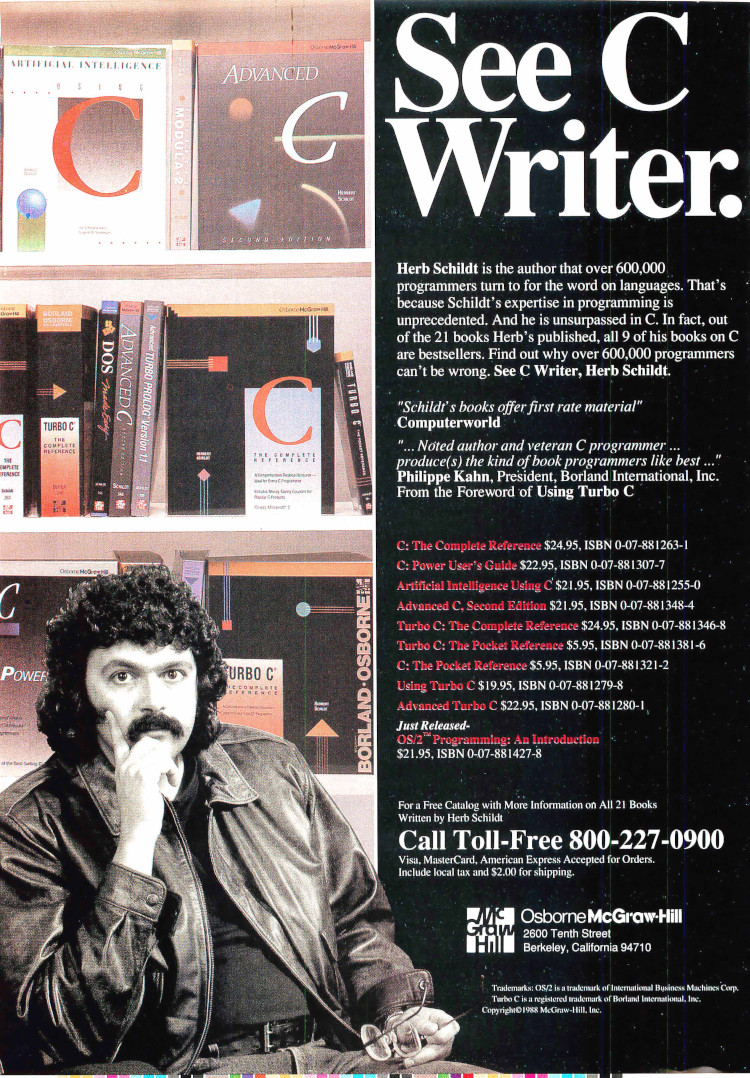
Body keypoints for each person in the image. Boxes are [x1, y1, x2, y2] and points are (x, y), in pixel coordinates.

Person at [0, 566, 480, 1075]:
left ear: (199, 682)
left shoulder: (273, 765)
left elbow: (354, 920)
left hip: (329, 1057)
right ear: (80, 691)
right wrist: (135, 840)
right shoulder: (29, 821)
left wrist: (397, 1013)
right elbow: (51, 1035)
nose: (153, 701)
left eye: (172, 673)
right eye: (123, 676)